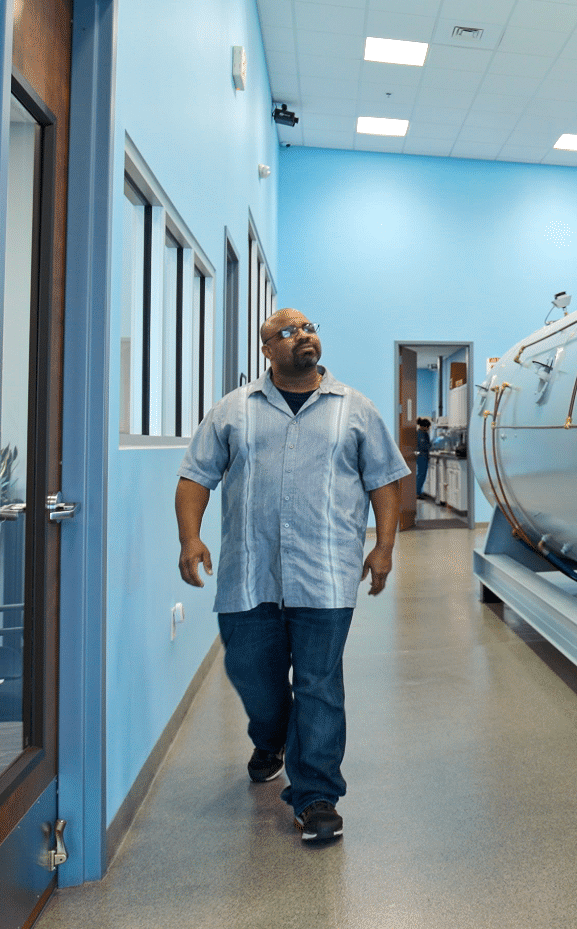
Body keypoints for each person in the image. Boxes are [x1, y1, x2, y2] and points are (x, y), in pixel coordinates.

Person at [174, 309, 408, 844]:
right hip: (249, 571)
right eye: (287, 331)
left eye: (308, 328)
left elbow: (384, 481)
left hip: (326, 571)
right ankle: (272, 737)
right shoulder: (234, 410)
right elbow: (195, 476)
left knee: (318, 683)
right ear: (266, 350)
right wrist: (190, 538)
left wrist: (384, 546)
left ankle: (316, 796)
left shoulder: (356, 408)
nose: (302, 335)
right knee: (252, 675)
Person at [414, 417, 432, 501]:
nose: (428, 429)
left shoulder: (424, 433)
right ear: (424, 426)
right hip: (421, 456)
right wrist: (430, 446)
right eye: (428, 427)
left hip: (424, 456)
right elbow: (423, 446)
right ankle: (417, 493)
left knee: (421, 475)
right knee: (421, 475)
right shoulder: (420, 434)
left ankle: (418, 491)